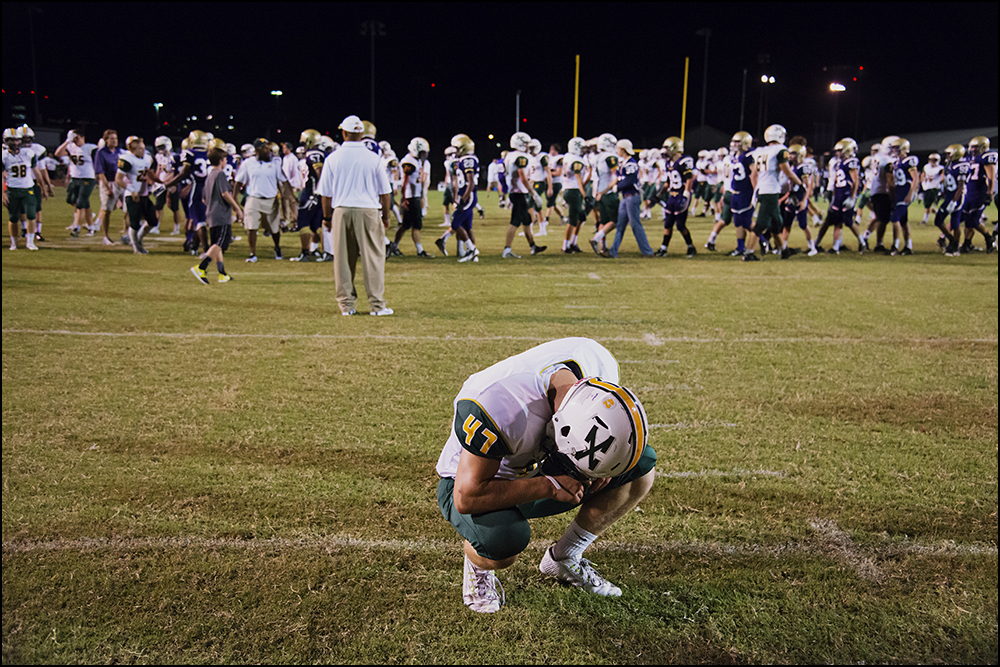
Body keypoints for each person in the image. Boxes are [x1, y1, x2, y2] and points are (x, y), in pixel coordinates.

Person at [435, 337, 656, 613]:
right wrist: (549, 485)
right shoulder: (500, 403)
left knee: (641, 467)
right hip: (476, 482)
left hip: (538, 462)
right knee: (504, 541)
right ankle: (478, 567)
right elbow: (467, 496)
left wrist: (606, 469)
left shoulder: (598, 365)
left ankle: (564, 557)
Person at [317, 115, 393, 316]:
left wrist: (326, 217)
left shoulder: (332, 158)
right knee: (373, 259)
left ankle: (346, 306)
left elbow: (325, 194)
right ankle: (377, 306)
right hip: (368, 210)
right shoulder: (373, 158)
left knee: (342, 260)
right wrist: (386, 216)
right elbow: (385, 193)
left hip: (341, 210)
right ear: (362, 133)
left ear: (343, 133)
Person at [743, 125, 803, 262]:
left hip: (762, 189)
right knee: (761, 224)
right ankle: (748, 253)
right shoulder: (780, 150)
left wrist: (757, 189)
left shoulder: (759, 151)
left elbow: (753, 176)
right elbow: (786, 170)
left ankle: (784, 250)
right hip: (770, 190)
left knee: (776, 223)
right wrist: (799, 184)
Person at [234, 138, 295, 262]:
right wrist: (234, 197)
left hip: (271, 200)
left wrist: (291, 197)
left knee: (274, 229)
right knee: (251, 227)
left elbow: (284, 181)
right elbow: (238, 181)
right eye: (265, 148)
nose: (268, 150)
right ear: (257, 151)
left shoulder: (275, 163)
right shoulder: (248, 163)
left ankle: (277, 247)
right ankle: (252, 253)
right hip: (254, 198)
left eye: (268, 147)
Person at [191, 147, 243, 284]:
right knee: (221, 243)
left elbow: (204, 199)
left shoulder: (209, 176)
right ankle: (201, 268)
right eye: (225, 159)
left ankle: (222, 273)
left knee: (217, 244)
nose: (226, 161)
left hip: (211, 214)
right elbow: (225, 193)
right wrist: (237, 208)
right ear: (221, 161)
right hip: (221, 214)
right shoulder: (220, 175)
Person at [435, 133, 481, 262]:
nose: (455, 151)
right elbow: (456, 181)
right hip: (464, 194)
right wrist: (457, 197)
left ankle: (471, 250)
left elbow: (470, 182)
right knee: (465, 225)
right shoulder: (462, 160)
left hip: (468, 195)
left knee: (456, 222)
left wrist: (464, 198)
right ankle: (470, 251)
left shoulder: (468, 159)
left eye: (456, 148)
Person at [606, 139, 654, 258]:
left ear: (623, 149)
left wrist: (618, 186)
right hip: (625, 197)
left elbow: (630, 181)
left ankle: (648, 252)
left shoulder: (631, 163)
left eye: (618, 148)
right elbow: (621, 176)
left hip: (632, 196)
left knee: (635, 224)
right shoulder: (624, 163)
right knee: (620, 225)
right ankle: (613, 251)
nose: (617, 150)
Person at [502, 132, 546, 258]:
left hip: (515, 191)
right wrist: (534, 193)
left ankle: (533, 246)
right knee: (515, 221)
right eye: (526, 144)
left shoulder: (510, 155)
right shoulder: (521, 157)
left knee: (527, 220)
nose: (528, 147)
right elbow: (523, 177)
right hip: (519, 192)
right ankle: (507, 250)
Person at [653, 136, 698, 258]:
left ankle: (691, 247)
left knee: (680, 225)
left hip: (681, 194)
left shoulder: (684, 161)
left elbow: (689, 180)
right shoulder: (669, 163)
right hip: (672, 195)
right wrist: (659, 193)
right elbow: (668, 181)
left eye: (666, 148)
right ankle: (664, 248)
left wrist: (686, 195)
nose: (664, 151)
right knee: (668, 223)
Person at [389, 137, 433, 258]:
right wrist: (404, 199)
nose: (425, 154)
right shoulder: (409, 161)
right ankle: (420, 251)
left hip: (414, 196)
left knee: (406, 225)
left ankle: (394, 247)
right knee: (416, 225)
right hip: (411, 198)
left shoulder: (415, 160)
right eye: (423, 152)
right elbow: (405, 182)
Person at [114, 136, 158, 254]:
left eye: (143, 148)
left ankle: (138, 239)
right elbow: (118, 179)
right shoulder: (127, 159)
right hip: (131, 195)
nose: (142, 151)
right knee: (134, 223)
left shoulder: (148, 159)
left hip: (144, 195)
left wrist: (159, 183)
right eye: (139, 149)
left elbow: (150, 175)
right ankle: (136, 248)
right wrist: (131, 189)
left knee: (153, 221)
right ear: (132, 150)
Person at [54, 129, 98, 237]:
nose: (75, 140)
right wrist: (67, 141)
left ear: (82, 137)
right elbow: (58, 153)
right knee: (73, 201)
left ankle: (76, 228)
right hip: (75, 178)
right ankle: (92, 226)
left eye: (77, 138)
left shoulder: (90, 148)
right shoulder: (70, 147)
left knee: (80, 203)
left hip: (87, 179)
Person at [3, 127, 41, 250]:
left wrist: (43, 185)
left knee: (31, 215)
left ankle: (30, 242)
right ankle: (14, 243)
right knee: (13, 217)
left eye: (17, 140)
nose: (15, 143)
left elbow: (36, 170)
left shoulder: (29, 153)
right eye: (12, 140)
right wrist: (3, 193)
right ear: (6, 140)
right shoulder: (3, 155)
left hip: (27, 189)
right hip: (12, 189)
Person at [94, 129, 124, 246]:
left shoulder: (120, 152)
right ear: (106, 140)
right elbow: (100, 172)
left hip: (120, 182)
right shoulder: (101, 153)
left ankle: (126, 234)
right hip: (109, 182)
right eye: (111, 139)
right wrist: (107, 188)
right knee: (107, 210)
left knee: (128, 208)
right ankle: (105, 236)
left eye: (115, 139)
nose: (114, 141)